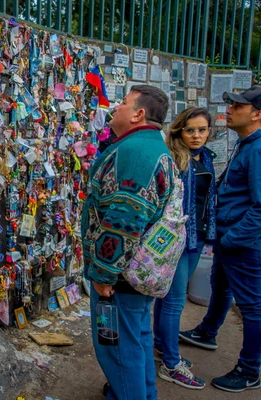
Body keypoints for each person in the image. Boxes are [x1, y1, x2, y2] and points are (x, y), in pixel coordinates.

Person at [82, 85, 176, 400]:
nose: (116, 108)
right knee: (136, 340)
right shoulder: (149, 146)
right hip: (134, 274)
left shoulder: (136, 153)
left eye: (123, 103)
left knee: (119, 349)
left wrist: (104, 275)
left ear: (138, 114)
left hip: (121, 277)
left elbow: (125, 220)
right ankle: (143, 393)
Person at [179, 85, 261, 393]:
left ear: (256, 114)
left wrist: (233, 239)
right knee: (221, 286)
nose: (228, 109)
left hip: (244, 243)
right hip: (231, 236)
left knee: (252, 306)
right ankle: (208, 331)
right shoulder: (247, 143)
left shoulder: (257, 149)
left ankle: (250, 369)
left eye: (237, 107)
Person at [152, 107, 216, 390]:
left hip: (197, 237)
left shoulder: (206, 158)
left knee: (167, 299)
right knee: (175, 301)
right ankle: (171, 362)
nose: (197, 135)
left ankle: (160, 345)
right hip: (177, 240)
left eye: (202, 130)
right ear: (179, 130)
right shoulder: (174, 159)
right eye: (190, 130)